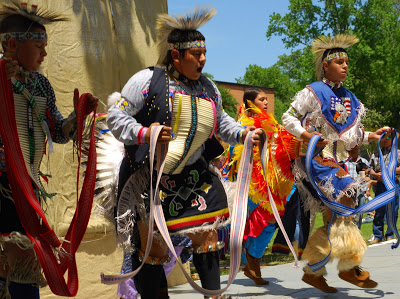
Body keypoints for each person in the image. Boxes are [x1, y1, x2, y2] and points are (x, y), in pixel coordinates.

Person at [106, 8, 262, 299]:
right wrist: (145, 133)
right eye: (196, 53)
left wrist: (244, 133)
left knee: (209, 239)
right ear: (176, 56)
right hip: (149, 179)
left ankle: (213, 295)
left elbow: (222, 122)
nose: (203, 59)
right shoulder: (147, 80)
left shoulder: (208, 87)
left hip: (194, 178)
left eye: (204, 52)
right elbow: (116, 116)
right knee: (152, 251)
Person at [0, 2, 98, 298]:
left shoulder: (41, 85)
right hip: (4, 183)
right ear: (13, 44)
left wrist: (76, 118)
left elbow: (57, 132)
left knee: (24, 259)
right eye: (38, 46)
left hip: (27, 187)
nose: (44, 54)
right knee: (11, 261)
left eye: (46, 46)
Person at [281, 34, 391, 293]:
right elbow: (288, 117)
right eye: (339, 61)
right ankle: (349, 268)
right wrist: (307, 135)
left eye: (347, 62)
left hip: (334, 159)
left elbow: (349, 136)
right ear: (325, 65)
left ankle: (313, 271)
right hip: (313, 159)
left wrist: (373, 136)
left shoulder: (349, 98)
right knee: (347, 197)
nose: (345, 66)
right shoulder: (313, 91)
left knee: (338, 214)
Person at [223, 88, 299, 285]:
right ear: (249, 103)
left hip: (273, 181)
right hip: (253, 183)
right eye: (261, 99)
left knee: (270, 219)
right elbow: (236, 153)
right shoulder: (242, 126)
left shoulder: (271, 123)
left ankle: (251, 260)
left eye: (266, 99)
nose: (266, 102)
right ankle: (251, 260)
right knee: (264, 218)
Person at [368, 131, 400, 244]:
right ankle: (377, 235)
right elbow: (370, 168)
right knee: (379, 210)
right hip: (380, 184)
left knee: (392, 210)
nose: (385, 140)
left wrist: (387, 171)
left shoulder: (398, 153)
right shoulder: (376, 154)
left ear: (392, 140)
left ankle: (390, 234)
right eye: (383, 138)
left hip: (392, 183)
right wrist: (376, 175)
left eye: (388, 138)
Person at [344, 145, 371, 228]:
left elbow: (369, 177)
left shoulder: (364, 162)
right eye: (352, 149)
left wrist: (368, 189)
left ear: (358, 150)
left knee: (359, 217)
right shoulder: (344, 163)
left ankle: (357, 236)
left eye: (356, 148)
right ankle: (348, 237)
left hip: (361, 193)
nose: (354, 150)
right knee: (348, 217)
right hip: (348, 194)